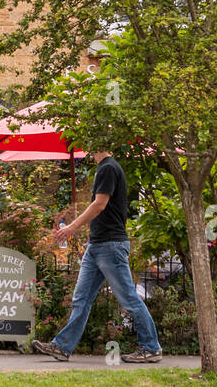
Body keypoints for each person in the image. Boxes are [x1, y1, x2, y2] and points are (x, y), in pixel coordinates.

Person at [33, 150, 162, 363]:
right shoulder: (104, 169)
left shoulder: (109, 168)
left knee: (128, 298)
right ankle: (62, 347)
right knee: (80, 299)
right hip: (97, 246)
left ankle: (151, 347)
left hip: (110, 246)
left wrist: (73, 226)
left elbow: (100, 204)